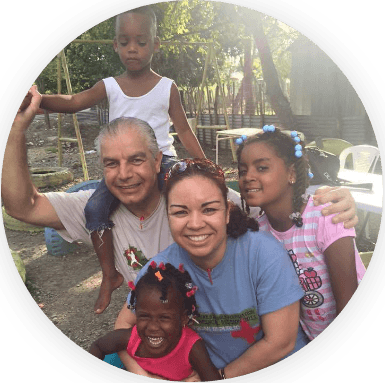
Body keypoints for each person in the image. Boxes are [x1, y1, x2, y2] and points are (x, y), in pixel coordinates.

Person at [3, 88, 358, 319]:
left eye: (137, 160)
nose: (124, 174)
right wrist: (16, 129)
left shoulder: (200, 201)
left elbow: (273, 201)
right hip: (161, 333)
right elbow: (23, 206)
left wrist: (331, 199)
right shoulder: (93, 210)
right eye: (112, 164)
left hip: (222, 334)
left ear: (159, 161)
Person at [34, 6, 206, 314]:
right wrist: (36, 101)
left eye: (141, 42)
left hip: (162, 161)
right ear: (115, 45)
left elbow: (183, 131)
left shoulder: (167, 87)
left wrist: (204, 165)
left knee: (188, 200)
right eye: (125, 42)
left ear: (155, 45)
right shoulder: (110, 85)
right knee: (94, 207)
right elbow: (74, 103)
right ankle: (109, 274)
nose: (133, 49)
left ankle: (196, 265)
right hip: (123, 164)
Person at [112, 158, 310, 379]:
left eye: (209, 210)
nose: (195, 223)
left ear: (226, 212)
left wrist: (217, 377)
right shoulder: (160, 269)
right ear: (167, 217)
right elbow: (122, 327)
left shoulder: (263, 253)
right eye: (180, 212)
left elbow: (280, 343)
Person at [236, 126, 366, 340]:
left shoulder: (326, 216)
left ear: (292, 173)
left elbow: (347, 300)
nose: (248, 177)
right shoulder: (258, 232)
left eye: (261, 168)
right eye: (242, 171)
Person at [90, 262, 221, 381]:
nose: (152, 327)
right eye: (144, 316)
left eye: (164, 318)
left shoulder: (192, 348)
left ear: (183, 318)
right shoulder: (131, 338)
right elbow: (98, 347)